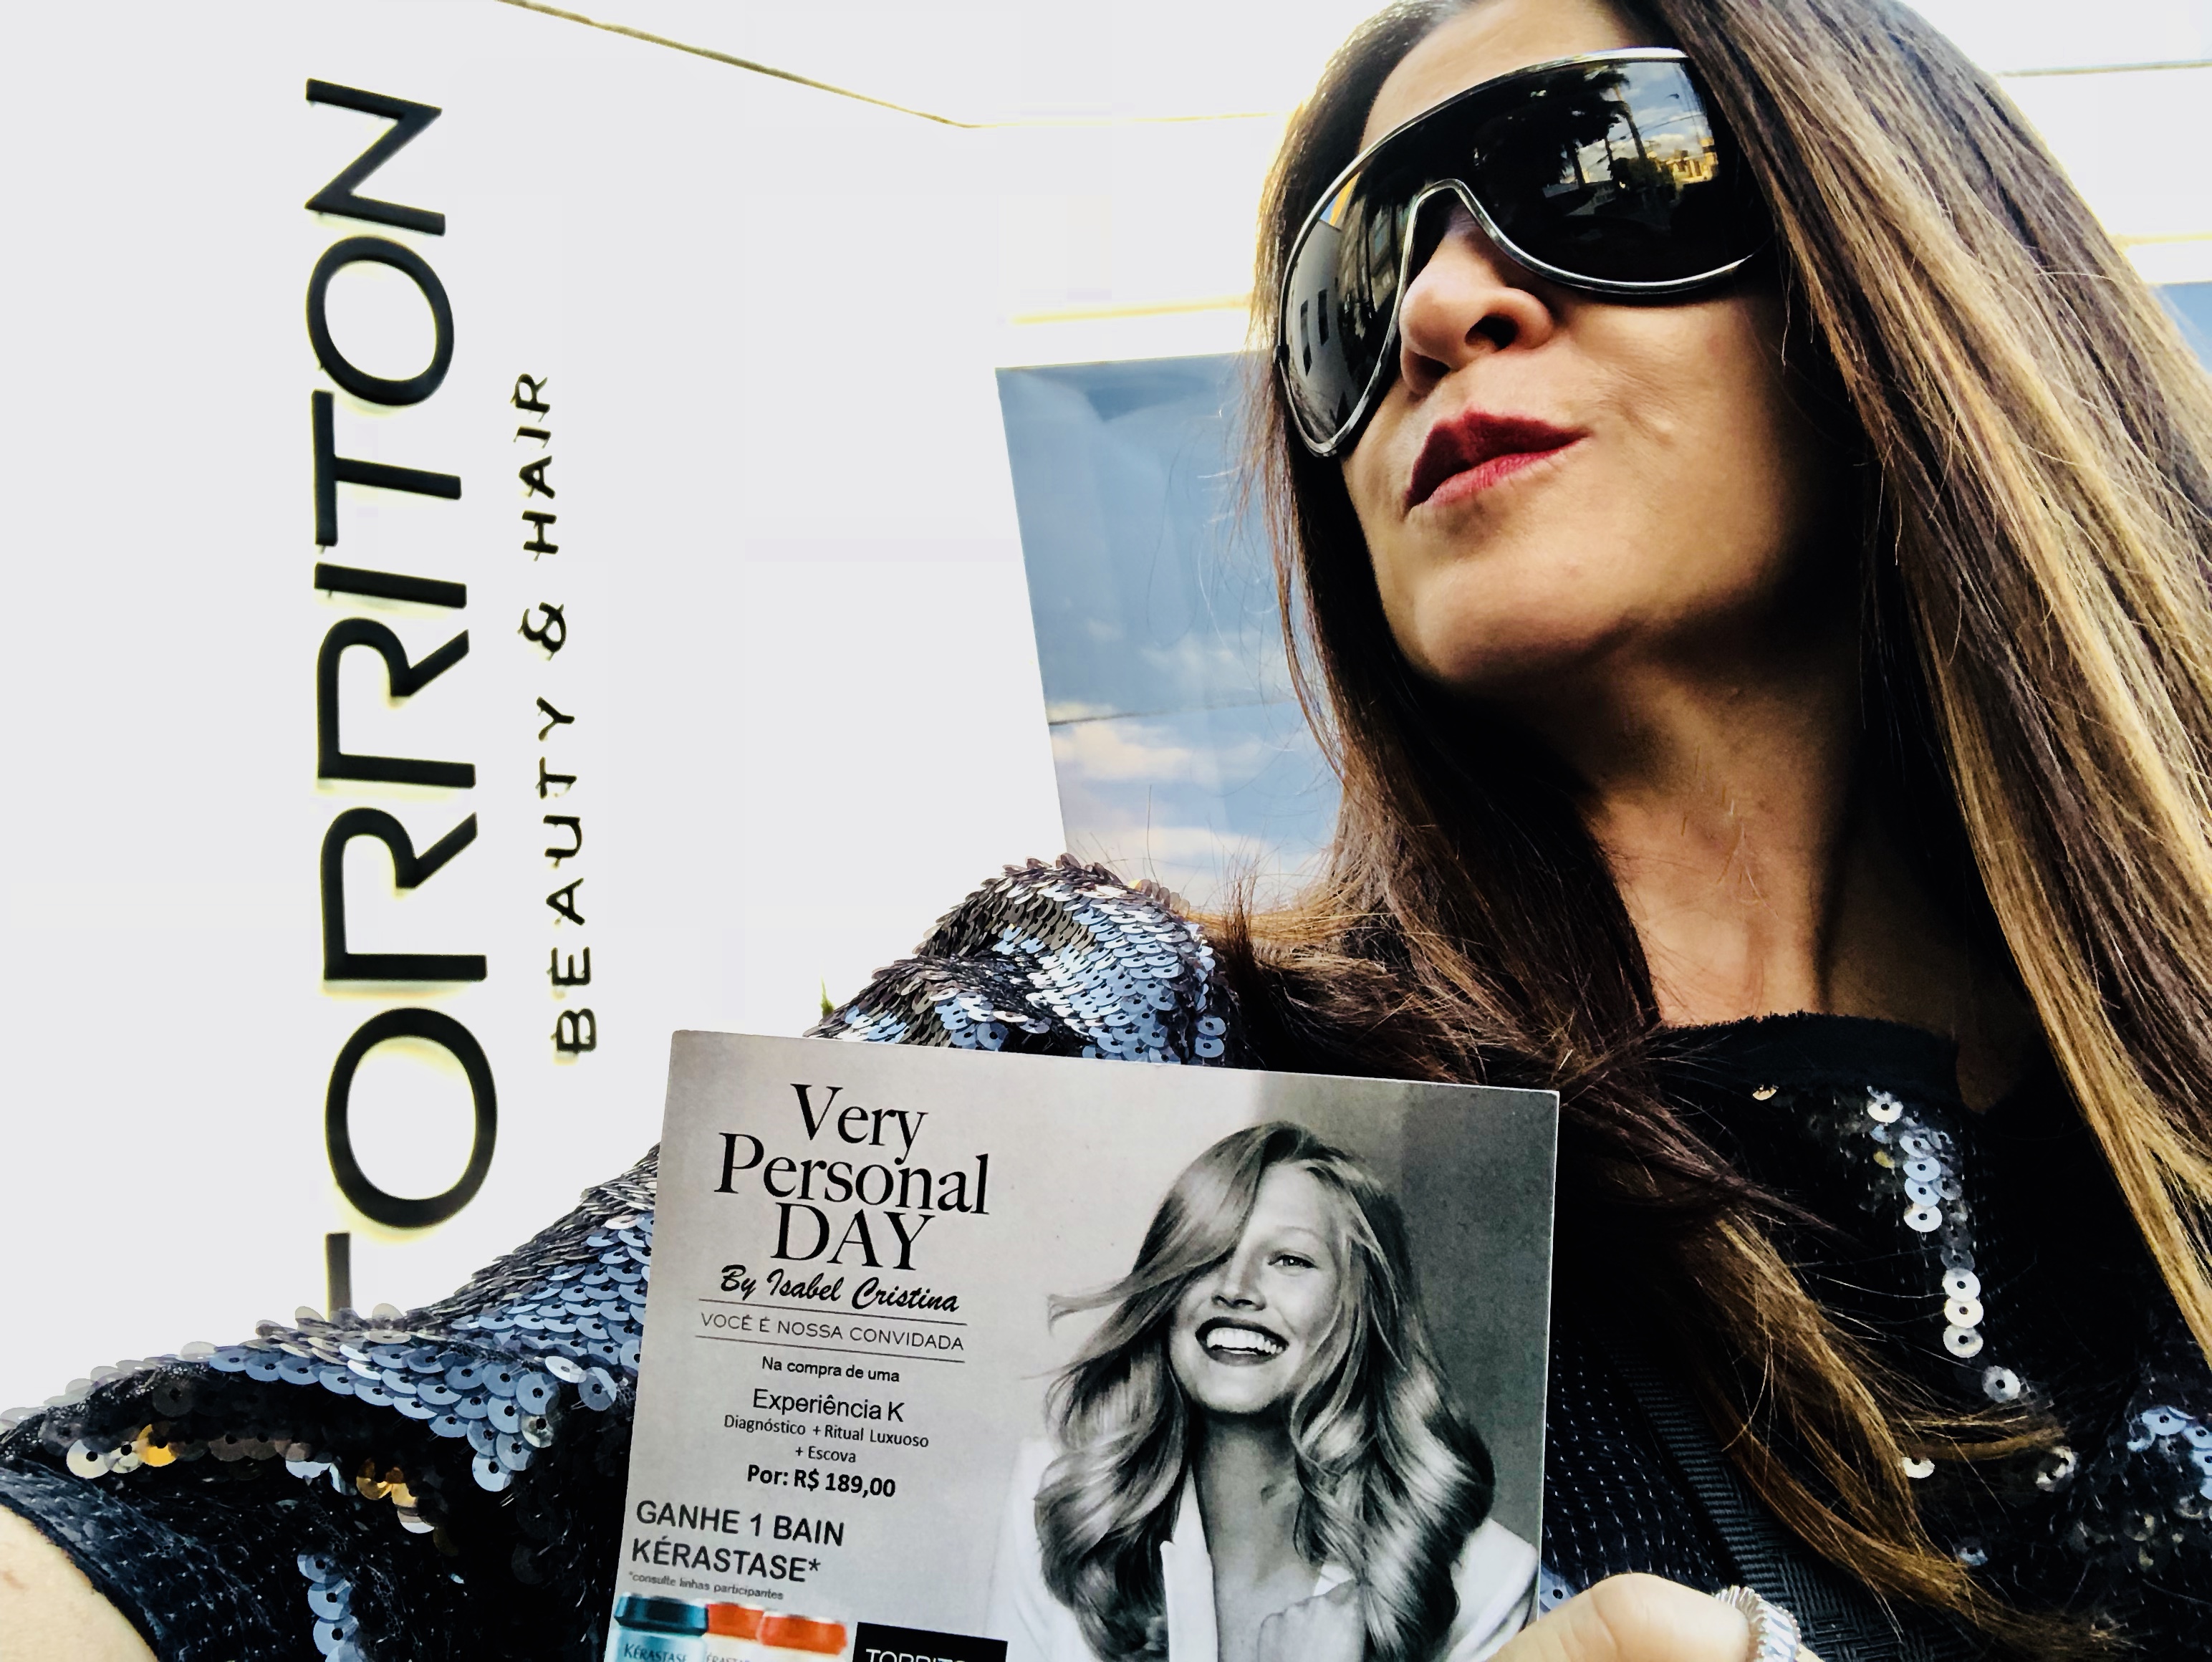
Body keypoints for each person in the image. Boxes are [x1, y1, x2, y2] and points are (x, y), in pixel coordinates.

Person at [9, 0, 2212, 1655]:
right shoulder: (1168, 1058)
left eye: (1593, 164)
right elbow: (432, 1472)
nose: (1441, 306)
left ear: (1896, 242)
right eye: (1351, 287)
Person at [985, 1123, 1537, 1662]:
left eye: (1290, 1261)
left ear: (1362, 1307)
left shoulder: (1489, 1582)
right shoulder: (1063, 1503)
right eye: (1208, 1255)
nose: (1235, 1288)